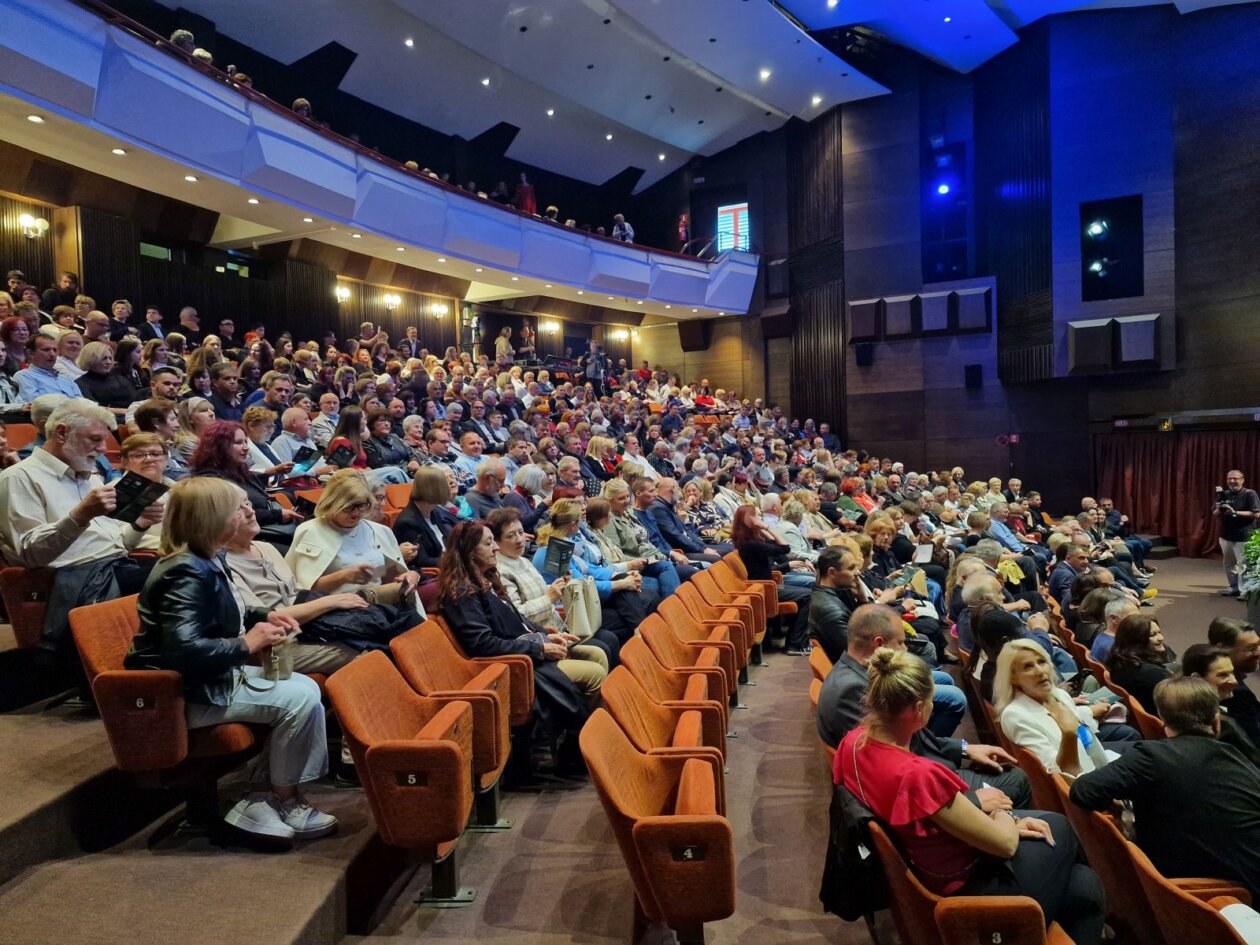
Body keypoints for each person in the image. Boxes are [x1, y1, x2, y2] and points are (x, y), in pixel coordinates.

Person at [835, 639, 1104, 943]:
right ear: (920, 708)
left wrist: (1009, 822)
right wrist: (1003, 814)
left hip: (928, 860)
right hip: (963, 883)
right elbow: (1004, 845)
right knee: (1066, 836)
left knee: (1084, 886)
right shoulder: (919, 775)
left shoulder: (853, 742)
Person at [125, 477, 337, 841]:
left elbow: (230, 608)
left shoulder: (207, 556)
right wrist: (246, 643)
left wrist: (262, 616)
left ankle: (274, 795)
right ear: (213, 517)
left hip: (210, 680)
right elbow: (183, 648)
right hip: (182, 693)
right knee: (300, 697)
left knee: (303, 688)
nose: (247, 510)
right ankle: (276, 797)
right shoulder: (185, 569)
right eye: (237, 507)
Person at [1070, 676, 1260, 900]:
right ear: (1217, 721)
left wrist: (1119, 798)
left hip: (1200, 879)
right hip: (1231, 888)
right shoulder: (1239, 760)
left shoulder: (1151, 757)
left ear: (1162, 718)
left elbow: (1082, 790)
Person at [438, 520, 597, 777]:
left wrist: (548, 634)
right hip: (511, 665)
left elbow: (518, 620)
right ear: (468, 552)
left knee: (597, 653)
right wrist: (539, 647)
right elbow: (484, 644)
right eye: (488, 543)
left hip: (526, 651)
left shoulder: (486, 579)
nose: (496, 549)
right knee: (593, 673)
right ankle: (572, 750)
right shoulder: (463, 594)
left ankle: (573, 743)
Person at [488, 507, 620, 670]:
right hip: (542, 638)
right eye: (510, 535)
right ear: (496, 541)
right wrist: (549, 598)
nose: (519, 539)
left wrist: (558, 586)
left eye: (521, 532)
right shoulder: (500, 572)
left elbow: (545, 592)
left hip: (558, 627)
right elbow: (517, 617)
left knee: (609, 638)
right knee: (605, 644)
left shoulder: (523, 561)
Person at [994, 639, 1126, 777]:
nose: (1039, 671)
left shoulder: (1060, 695)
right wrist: (1068, 734)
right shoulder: (1014, 716)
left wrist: (1090, 711)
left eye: (1041, 662)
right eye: (1027, 667)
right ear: (1013, 678)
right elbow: (1060, 773)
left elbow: (1073, 720)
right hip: (1085, 785)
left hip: (1099, 764)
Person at [285, 470, 421, 604]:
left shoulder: (379, 531)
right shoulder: (311, 531)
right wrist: (343, 577)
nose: (357, 513)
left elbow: (381, 575)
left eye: (362, 505)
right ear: (333, 502)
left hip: (377, 604)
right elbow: (304, 591)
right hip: (334, 612)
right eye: (349, 507)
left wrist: (410, 576)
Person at [190, 421, 303, 550]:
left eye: (245, 441)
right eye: (238, 443)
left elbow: (254, 479)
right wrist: (278, 515)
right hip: (243, 540)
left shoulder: (237, 470)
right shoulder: (211, 480)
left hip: (263, 529)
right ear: (219, 447)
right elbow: (233, 517)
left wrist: (276, 471)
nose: (246, 447)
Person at [730, 504, 813, 654]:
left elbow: (775, 545)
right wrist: (767, 527)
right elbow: (784, 548)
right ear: (750, 520)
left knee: (807, 592)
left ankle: (797, 641)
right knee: (808, 595)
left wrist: (761, 529)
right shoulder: (752, 545)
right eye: (757, 516)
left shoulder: (751, 541)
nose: (761, 518)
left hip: (766, 586)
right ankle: (796, 644)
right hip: (763, 590)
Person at [1180, 643, 1260, 764]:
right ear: (1197, 678)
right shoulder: (1217, 726)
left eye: (1232, 673)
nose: (1234, 681)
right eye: (1223, 675)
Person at [1105, 614, 1174, 714]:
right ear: (1137, 640)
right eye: (1153, 635)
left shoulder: (1120, 660)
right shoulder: (1152, 674)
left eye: (1159, 632)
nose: (1161, 638)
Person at [1208, 616, 1260, 748]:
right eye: (1250, 648)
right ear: (1222, 648)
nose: (1258, 653)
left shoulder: (1200, 670)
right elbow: (1254, 743)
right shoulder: (1234, 693)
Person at [807, 546, 862, 662]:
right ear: (832, 572)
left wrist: (862, 599)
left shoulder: (832, 593)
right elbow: (858, 653)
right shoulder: (832, 611)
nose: (857, 572)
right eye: (851, 568)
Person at [1214, 469, 1259, 596]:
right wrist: (1219, 510)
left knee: (1244, 565)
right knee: (1229, 564)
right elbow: (1215, 514)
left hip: (1243, 536)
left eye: (1235, 478)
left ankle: (1245, 592)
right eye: (1230, 478)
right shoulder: (1224, 494)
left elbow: (1256, 514)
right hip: (1225, 536)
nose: (1232, 481)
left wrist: (1235, 512)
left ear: (1242, 480)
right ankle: (1233, 588)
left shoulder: (1250, 494)